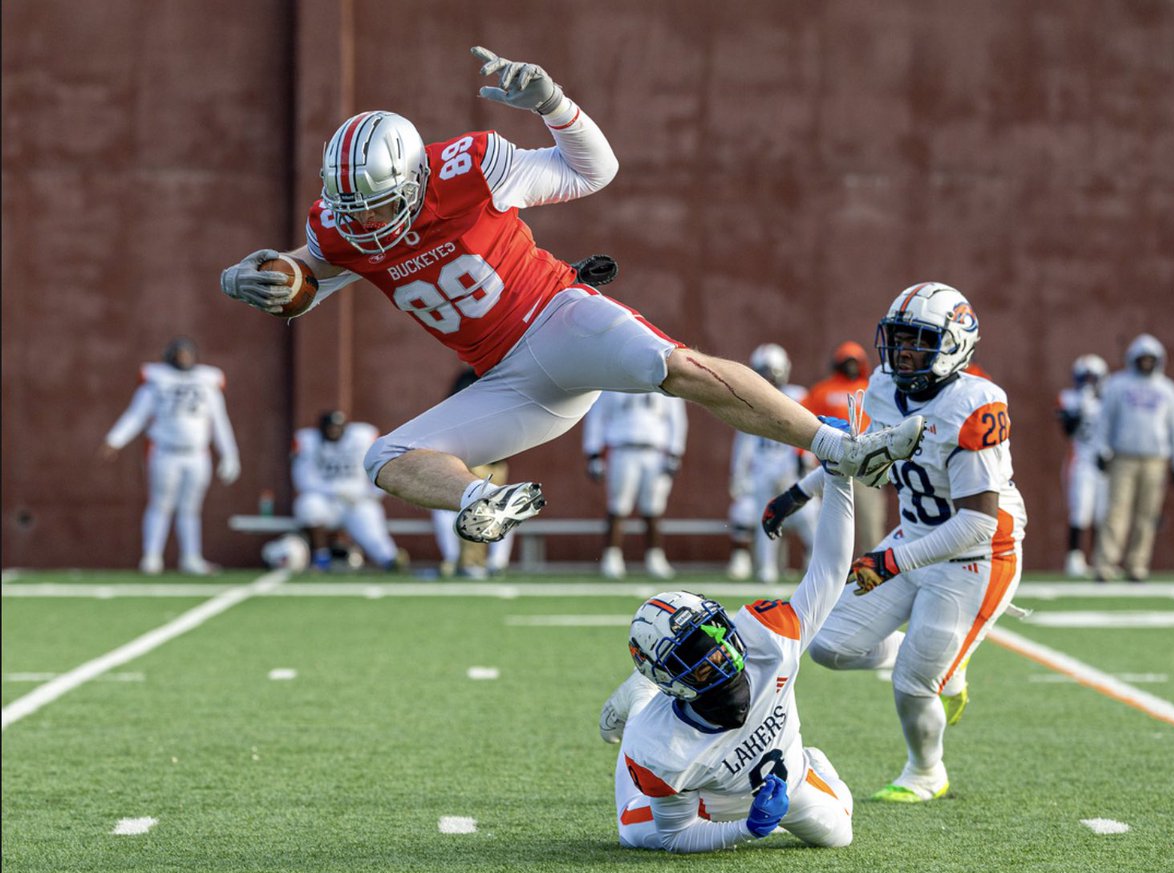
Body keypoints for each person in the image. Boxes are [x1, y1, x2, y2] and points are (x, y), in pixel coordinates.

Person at [219, 45, 925, 546]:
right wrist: (252, 279)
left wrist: (553, 106)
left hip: (557, 316)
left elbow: (594, 170)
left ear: (411, 181)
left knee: (677, 369)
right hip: (511, 380)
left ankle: (839, 446)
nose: (361, 221)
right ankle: (482, 502)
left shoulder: (471, 169)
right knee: (385, 460)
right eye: (349, 207)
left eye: (375, 205)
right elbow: (307, 281)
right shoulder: (340, 225)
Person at [760, 283, 1026, 803]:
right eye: (898, 338)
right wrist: (799, 492)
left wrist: (890, 559)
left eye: (919, 340)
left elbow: (977, 522)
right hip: (916, 535)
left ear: (955, 345)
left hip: (977, 554)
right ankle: (929, 655)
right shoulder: (883, 385)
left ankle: (926, 771)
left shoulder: (976, 404)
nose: (904, 351)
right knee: (832, 647)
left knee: (912, 685)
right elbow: (861, 452)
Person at [597, 429, 858, 853]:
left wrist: (840, 476)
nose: (717, 652)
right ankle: (641, 694)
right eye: (695, 656)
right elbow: (676, 835)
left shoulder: (769, 637)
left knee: (838, 834)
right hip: (706, 795)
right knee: (635, 834)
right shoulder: (658, 745)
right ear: (672, 680)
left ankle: (814, 766)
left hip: (782, 770)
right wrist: (747, 831)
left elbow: (829, 570)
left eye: (713, 635)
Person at [99, 337, 240, 574]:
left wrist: (230, 454)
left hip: (197, 454)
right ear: (169, 356)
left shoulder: (207, 384)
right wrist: (115, 440)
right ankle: (152, 557)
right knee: (160, 504)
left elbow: (219, 422)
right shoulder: (156, 382)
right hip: (164, 452)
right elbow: (136, 415)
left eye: (187, 353)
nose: (184, 358)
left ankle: (191, 558)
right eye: (179, 354)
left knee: (191, 508)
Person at [1093, 334, 1174, 583]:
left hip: (1155, 460)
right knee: (1116, 511)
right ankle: (1105, 564)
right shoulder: (1118, 385)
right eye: (1142, 358)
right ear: (1133, 359)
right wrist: (1102, 450)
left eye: (1150, 359)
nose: (1146, 363)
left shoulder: (1167, 389)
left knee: (1147, 515)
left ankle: (1137, 565)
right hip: (1123, 457)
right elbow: (1105, 420)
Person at [727, 344, 817, 583]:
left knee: (810, 518)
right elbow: (743, 444)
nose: (768, 377)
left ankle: (818, 564)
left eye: (770, 371)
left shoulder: (798, 395)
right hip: (763, 468)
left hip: (791, 469)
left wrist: (806, 461)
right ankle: (767, 567)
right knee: (763, 517)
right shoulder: (750, 401)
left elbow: (811, 433)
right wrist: (738, 476)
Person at [583, 391, 688, 579]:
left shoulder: (663, 384)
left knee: (653, 508)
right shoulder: (612, 383)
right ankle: (612, 557)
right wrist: (593, 453)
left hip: (655, 451)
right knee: (618, 506)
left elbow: (677, 419)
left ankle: (655, 557)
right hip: (622, 449)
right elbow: (597, 417)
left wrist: (675, 451)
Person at [800, 340, 887, 557]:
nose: (851, 366)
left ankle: (870, 570)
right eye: (846, 361)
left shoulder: (872, 390)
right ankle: (821, 565)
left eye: (855, 361)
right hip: (829, 464)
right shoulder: (822, 390)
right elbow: (804, 420)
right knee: (825, 525)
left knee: (870, 523)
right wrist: (802, 455)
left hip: (865, 465)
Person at [292, 410, 406, 572]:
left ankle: (389, 559)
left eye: (338, 427)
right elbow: (303, 480)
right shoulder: (308, 441)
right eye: (330, 427)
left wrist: (373, 494)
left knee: (370, 524)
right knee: (308, 505)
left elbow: (381, 466)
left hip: (356, 500)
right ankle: (321, 558)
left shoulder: (363, 437)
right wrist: (336, 490)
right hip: (326, 501)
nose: (334, 431)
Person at [430, 366, 516, 578]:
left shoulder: (499, 380)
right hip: (471, 456)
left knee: (497, 508)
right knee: (467, 508)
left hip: (493, 458)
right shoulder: (468, 379)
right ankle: (464, 561)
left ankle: (492, 562)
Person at [1056, 354, 1109, 578]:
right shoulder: (1069, 398)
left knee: (1102, 513)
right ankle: (1074, 558)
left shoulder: (1109, 400)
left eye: (1092, 377)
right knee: (1080, 511)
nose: (1088, 382)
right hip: (1079, 460)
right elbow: (1068, 429)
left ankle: (1101, 558)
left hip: (1103, 461)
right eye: (1084, 377)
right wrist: (1082, 408)